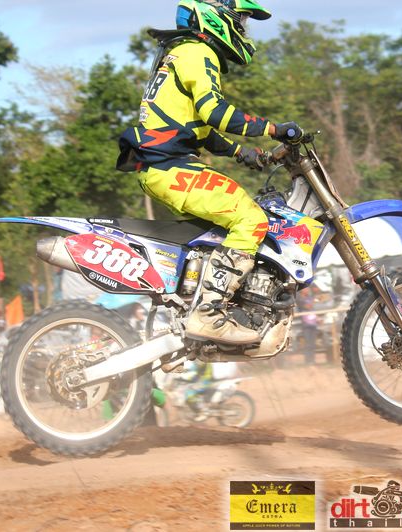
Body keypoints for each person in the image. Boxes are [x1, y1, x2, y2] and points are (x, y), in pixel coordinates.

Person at [117, 0, 300, 345]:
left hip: (163, 166)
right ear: (219, 17)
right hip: (169, 167)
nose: (243, 30)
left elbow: (198, 128)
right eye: (241, 21)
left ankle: (203, 308)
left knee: (222, 229)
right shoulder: (197, 52)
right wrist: (273, 129)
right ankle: (208, 313)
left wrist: (242, 153)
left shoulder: (182, 52)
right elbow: (214, 112)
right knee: (251, 220)